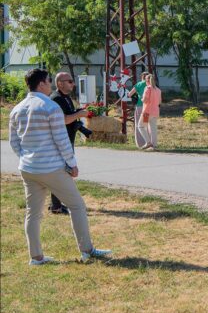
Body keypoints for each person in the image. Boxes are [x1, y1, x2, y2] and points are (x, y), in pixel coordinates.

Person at [8, 68, 112, 265]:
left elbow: (14, 142)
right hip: (52, 167)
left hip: (28, 168)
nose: (51, 85)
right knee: (77, 206)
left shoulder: (17, 108)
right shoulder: (50, 107)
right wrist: (72, 164)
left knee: (33, 213)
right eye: (49, 81)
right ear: (41, 84)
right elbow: (61, 140)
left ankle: (36, 257)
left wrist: (25, 157)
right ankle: (87, 250)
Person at [48, 72, 89, 215]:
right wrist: (79, 115)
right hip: (61, 141)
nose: (73, 84)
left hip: (67, 139)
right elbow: (64, 119)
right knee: (62, 172)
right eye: (70, 81)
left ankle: (56, 204)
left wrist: (80, 112)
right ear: (60, 83)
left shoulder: (65, 98)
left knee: (63, 172)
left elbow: (70, 114)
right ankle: (56, 206)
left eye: (73, 81)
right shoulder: (56, 98)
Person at [128, 71, 149, 149]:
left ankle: (140, 144)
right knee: (145, 124)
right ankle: (148, 141)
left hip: (139, 107)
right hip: (147, 107)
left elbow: (129, 94)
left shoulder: (138, 84)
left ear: (142, 77)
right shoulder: (149, 85)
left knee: (138, 125)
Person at [140, 74, 161, 151]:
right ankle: (154, 145)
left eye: (145, 80)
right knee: (153, 129)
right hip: (155, 112)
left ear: (147, 80)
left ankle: (148, 142)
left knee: (141, 126)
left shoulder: (147, 88)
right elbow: (159, 101)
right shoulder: (158, 90)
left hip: (147, 112)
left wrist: (141, 99)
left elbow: (145, 100)